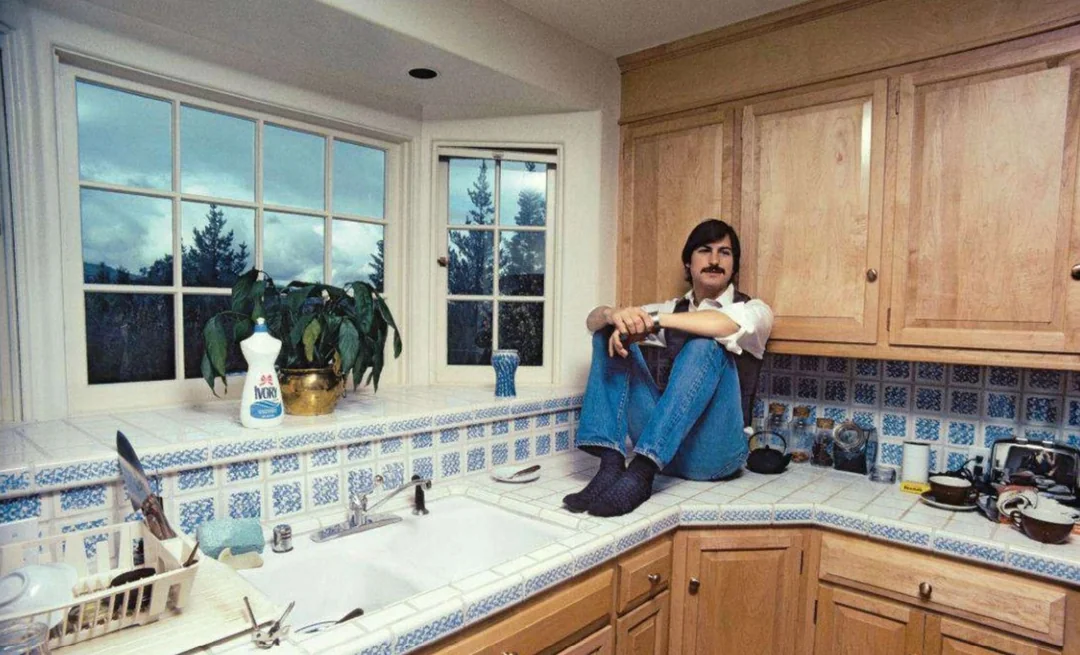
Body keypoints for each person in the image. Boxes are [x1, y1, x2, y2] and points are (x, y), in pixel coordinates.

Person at [564, 219, 774, 517]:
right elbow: (592, 319)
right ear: (688, 263)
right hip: (669, 450)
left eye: (724, 253)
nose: (715, 260)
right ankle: (610, 465)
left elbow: (723, 324)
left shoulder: (756, 310)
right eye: (705, 250)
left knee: (706, 343)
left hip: (718, 455)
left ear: (734, 265)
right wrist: (616, 314)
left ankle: (640, 474)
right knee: (607, 332)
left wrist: (657, 321)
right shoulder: (673, 308)